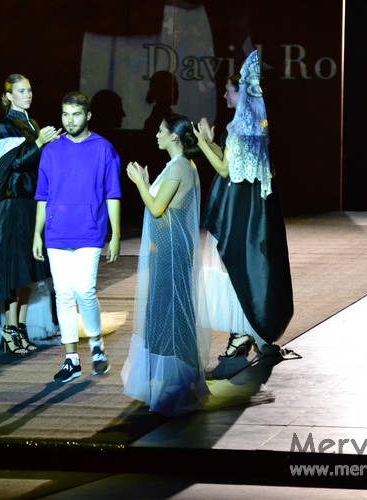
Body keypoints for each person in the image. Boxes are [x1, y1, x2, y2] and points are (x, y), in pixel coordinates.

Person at [193, 50, 294, 358]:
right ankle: (248, 330)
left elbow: (225, 169)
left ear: (241, 94)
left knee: (235, 267)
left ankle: (242, 331)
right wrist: (211, 142)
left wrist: (202, 142)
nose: (225, 95)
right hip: (253, 208)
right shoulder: (255, 125)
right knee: (247, 266)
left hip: (238, 209)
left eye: (229, 91)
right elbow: (234, 162)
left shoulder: (239, 129)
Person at [0, 74, 60, 356]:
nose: (28, 94)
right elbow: (12, 165)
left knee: (29, 271)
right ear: (8, 96)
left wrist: (47, 144)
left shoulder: (32, 123)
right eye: (21, 91)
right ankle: (9, 329)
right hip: (14, 204)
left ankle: (20, 327)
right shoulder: (8, 125)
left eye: (29, 90)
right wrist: (38, 143)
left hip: (30, 203)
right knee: (15, 271)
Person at [121, 114, 211, 416]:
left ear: (174, 136)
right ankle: (172, 379)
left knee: (172, 310)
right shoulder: (177, 166)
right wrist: (147, 184)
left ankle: (178, 381)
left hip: (172, 248)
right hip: (168, 247)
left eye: (161, 131)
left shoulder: (180, 167)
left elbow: (157, 208)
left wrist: (140, 183)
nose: (156, 135)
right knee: (165, 309)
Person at [33, 91, 122, 383]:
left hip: (89, 230)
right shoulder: (51, 150)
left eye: (76, 114)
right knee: (63, 295)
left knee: (84, 290)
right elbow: (43, 195)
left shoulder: (103, 149)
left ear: (88, 116)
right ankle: (71, 358)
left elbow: (112, 193)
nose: (70, 120)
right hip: (56, 232)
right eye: (65, 114)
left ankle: (96, 344)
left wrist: (116, 234)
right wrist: (37, 233)